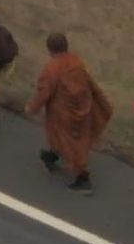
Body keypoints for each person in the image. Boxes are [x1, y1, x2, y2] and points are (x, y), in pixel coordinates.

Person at [25, 33, 113, 195]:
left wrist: (32, 107)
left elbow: (44, 92)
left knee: (71, 146)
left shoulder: (52, 69)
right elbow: (89, 84)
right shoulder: (77, 63)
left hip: (62, 115)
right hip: (82, 111)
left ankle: (83, 179)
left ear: (50, 49)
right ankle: (52, 155)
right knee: (70, 141)